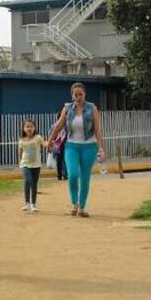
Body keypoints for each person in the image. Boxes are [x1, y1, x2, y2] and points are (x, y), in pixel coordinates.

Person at [46, 82, 105, 217]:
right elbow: (59, 125)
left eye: (80, 94)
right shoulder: (67, 108)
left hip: (89, 146)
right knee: (73, 175)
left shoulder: (92, 108)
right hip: (71, 145)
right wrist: (50, 139)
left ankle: (82, 207)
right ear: (72, 95)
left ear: (84, 94)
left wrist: (101, 149)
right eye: (75, 95)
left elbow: (97, 130)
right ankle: (74, 203)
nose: (78, 97)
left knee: (85, 177)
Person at [19, 119, 44, 213]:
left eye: (31, 126)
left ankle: (33, 204)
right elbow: (20, 152)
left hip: (36, 165)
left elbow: (44, 144)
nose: (29, 128)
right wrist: (20, 163)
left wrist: (49, 144)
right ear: (23, 129)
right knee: (27, 180)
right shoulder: (21, 140)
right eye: (27, 126)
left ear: (35, 128)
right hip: (25, 164)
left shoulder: (38, 138)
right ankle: (26, 203)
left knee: (34, 184)